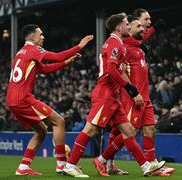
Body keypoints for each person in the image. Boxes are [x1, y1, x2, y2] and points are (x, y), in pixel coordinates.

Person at [62, 13, 165, 178]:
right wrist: (130, 88)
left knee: (129, 131)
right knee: (90, 130)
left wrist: (128, 86)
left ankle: (146, 166)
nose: (129, 26)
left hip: (114, 96)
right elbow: (111, 70)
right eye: (127, 24)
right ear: (119, 27)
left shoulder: (119, 44)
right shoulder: (113, 44)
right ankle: (70, 165)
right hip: (106, 94)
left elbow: (121, 68)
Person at [6, 24, 93, 176]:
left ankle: (24, 167)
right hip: (23, 98)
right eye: (40, 34)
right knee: (59, 121)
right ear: (32, 37)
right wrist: (79, 46)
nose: (43, 37)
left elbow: (44, 69)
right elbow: (58, 56)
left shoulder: (21, 53)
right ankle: (62, 164)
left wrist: (66, 63)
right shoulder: (34, 49)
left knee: (41, 131)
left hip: (12, 99)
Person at [96, 12, 174, 176]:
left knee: (150, 128)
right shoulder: (125, 46)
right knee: (128, 132)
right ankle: (103, 159)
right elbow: (120, 70)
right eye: (140, 23)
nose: (143, 27)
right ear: (128, 27)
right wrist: (132, 91)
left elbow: (141, 39)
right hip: (134, 97)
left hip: (145, 96)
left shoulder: (137, 46)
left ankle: (152, 164)